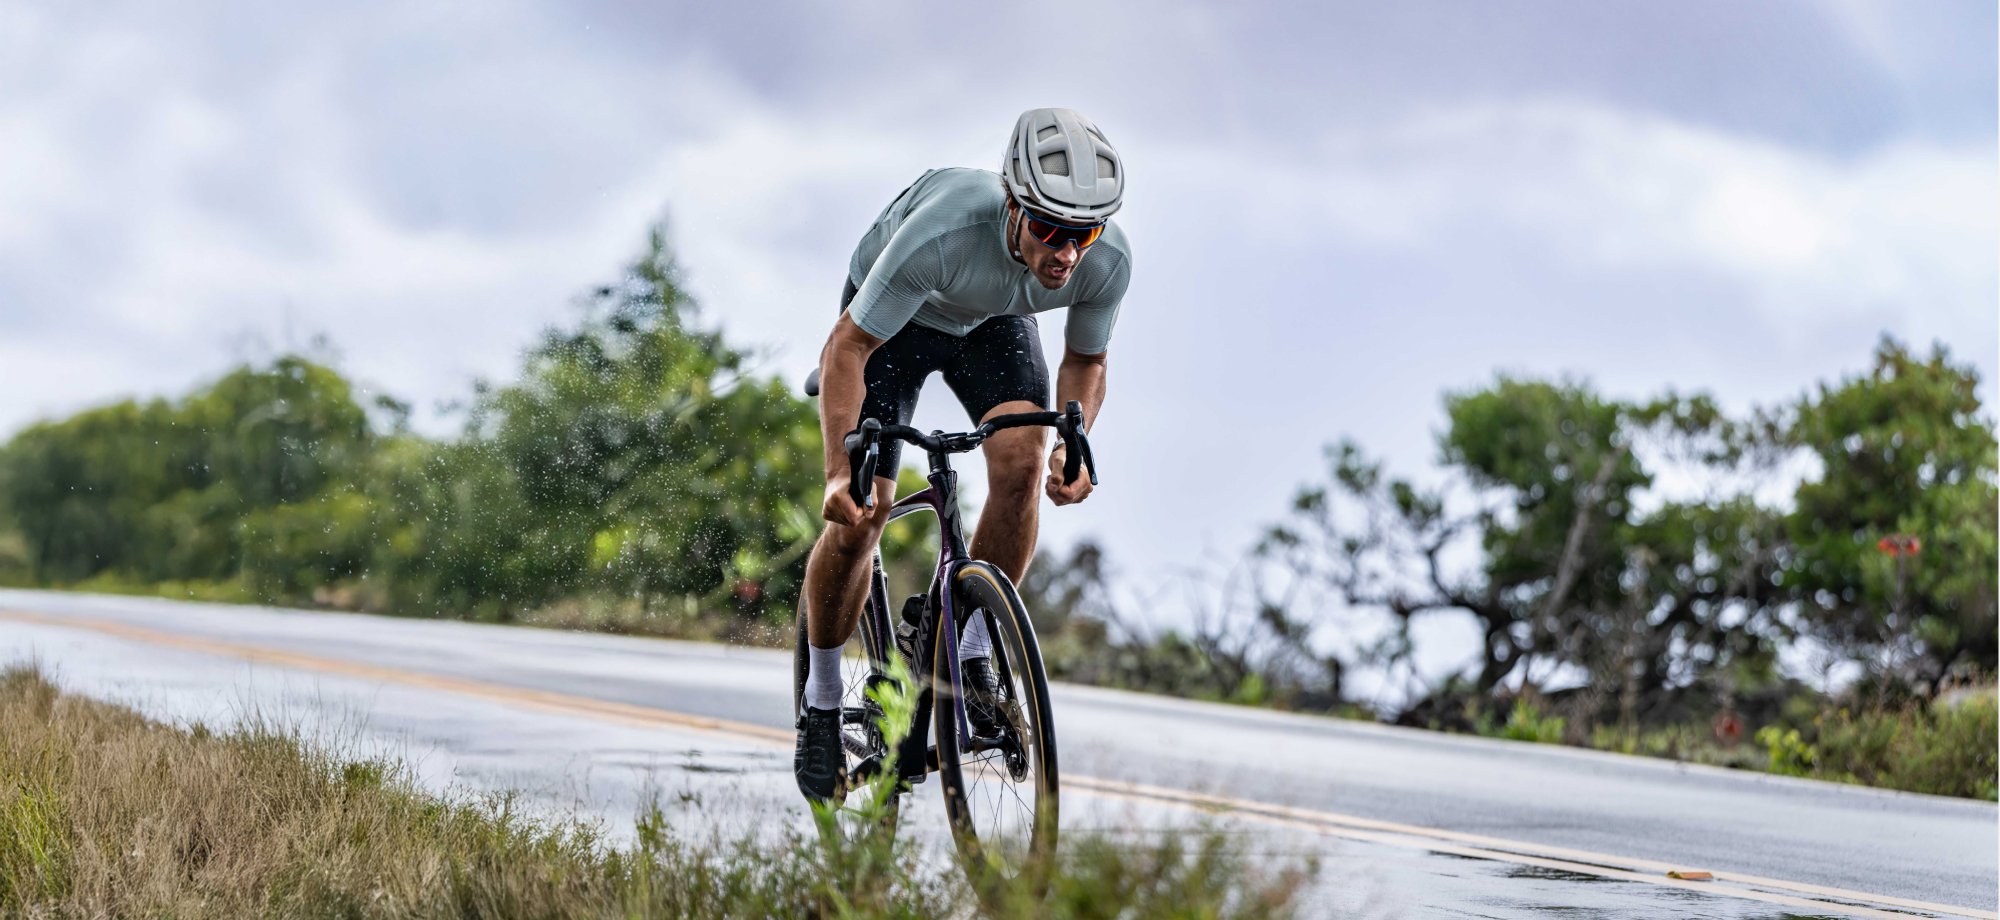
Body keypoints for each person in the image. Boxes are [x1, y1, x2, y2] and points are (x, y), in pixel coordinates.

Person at [794, 108, 1133, 803]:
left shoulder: (1106, 259)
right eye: (1048, 230)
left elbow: (1087, 361)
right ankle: (822, 701)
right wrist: (837, 469)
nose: (1067, 253)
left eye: (1083, 234)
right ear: (1013, 204)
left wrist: (1075, 442)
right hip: (896, 321)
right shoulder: (943, 232)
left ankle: (965, 643)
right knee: (864, 514)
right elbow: (848, 347)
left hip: (992, 323)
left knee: (1019, 471)